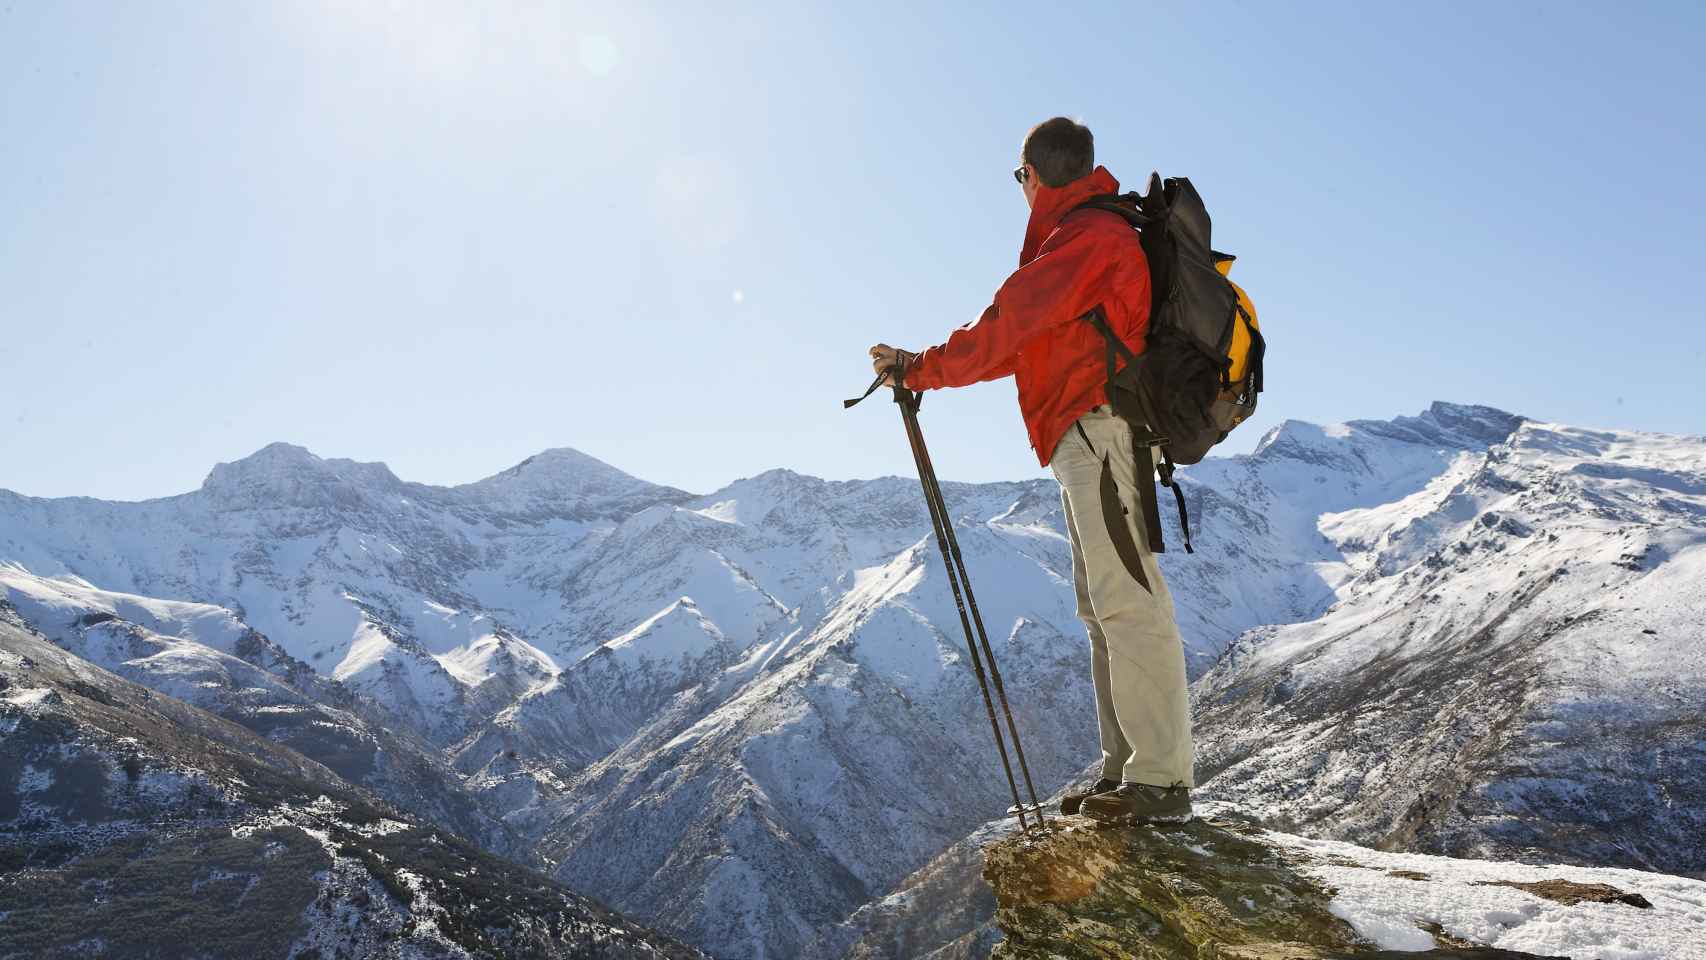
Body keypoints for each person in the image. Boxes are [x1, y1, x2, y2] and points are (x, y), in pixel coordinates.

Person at [868, 117, 1192, 823]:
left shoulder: (1087, 241)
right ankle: (1126, 772)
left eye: (1020, 178)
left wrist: (922, 367)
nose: (1021, 189)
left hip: (1103, 431)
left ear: (1035, 176)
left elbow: (1007, 324)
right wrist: (926, 368)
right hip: (1088, 434)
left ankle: (1161, 782)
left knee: (1127, 601)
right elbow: (1022, 340)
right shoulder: (1081, 238)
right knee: (1104, 606)